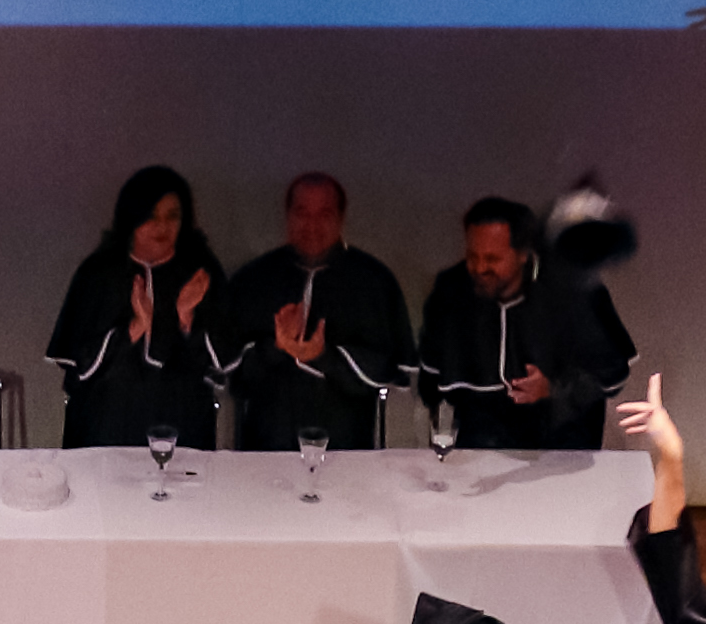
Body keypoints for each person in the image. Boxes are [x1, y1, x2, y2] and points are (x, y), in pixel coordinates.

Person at [209, 173, 414, 450]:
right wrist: (275, 348)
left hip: (347, 448)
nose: (311, 225)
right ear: (288, 216)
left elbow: (388, 369)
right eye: (301, 213)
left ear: (341, 218)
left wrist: (324, 357)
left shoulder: (373, 281)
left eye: (325, 214)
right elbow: (231, 373)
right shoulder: (254, 278)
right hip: (266, 446)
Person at [416, 194, 633, 452]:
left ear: (523, 254)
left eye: (492, 259)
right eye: (472, 256)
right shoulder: (451, 289)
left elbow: (612, 375)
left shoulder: (575, 292)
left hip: (560, 445)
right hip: (479, 445)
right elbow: (431, 377)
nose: (479, 267)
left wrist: (553, 388)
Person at [46, 167, 225, 452]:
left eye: (172, 216)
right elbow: (78, 365)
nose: (162, 227)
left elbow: (220, 365)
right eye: (151, 216)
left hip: (181, 422)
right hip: (108, 423)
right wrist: (136, 327)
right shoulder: (98, 273)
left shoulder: (200, 272)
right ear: (132, 218)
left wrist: (186, 318)